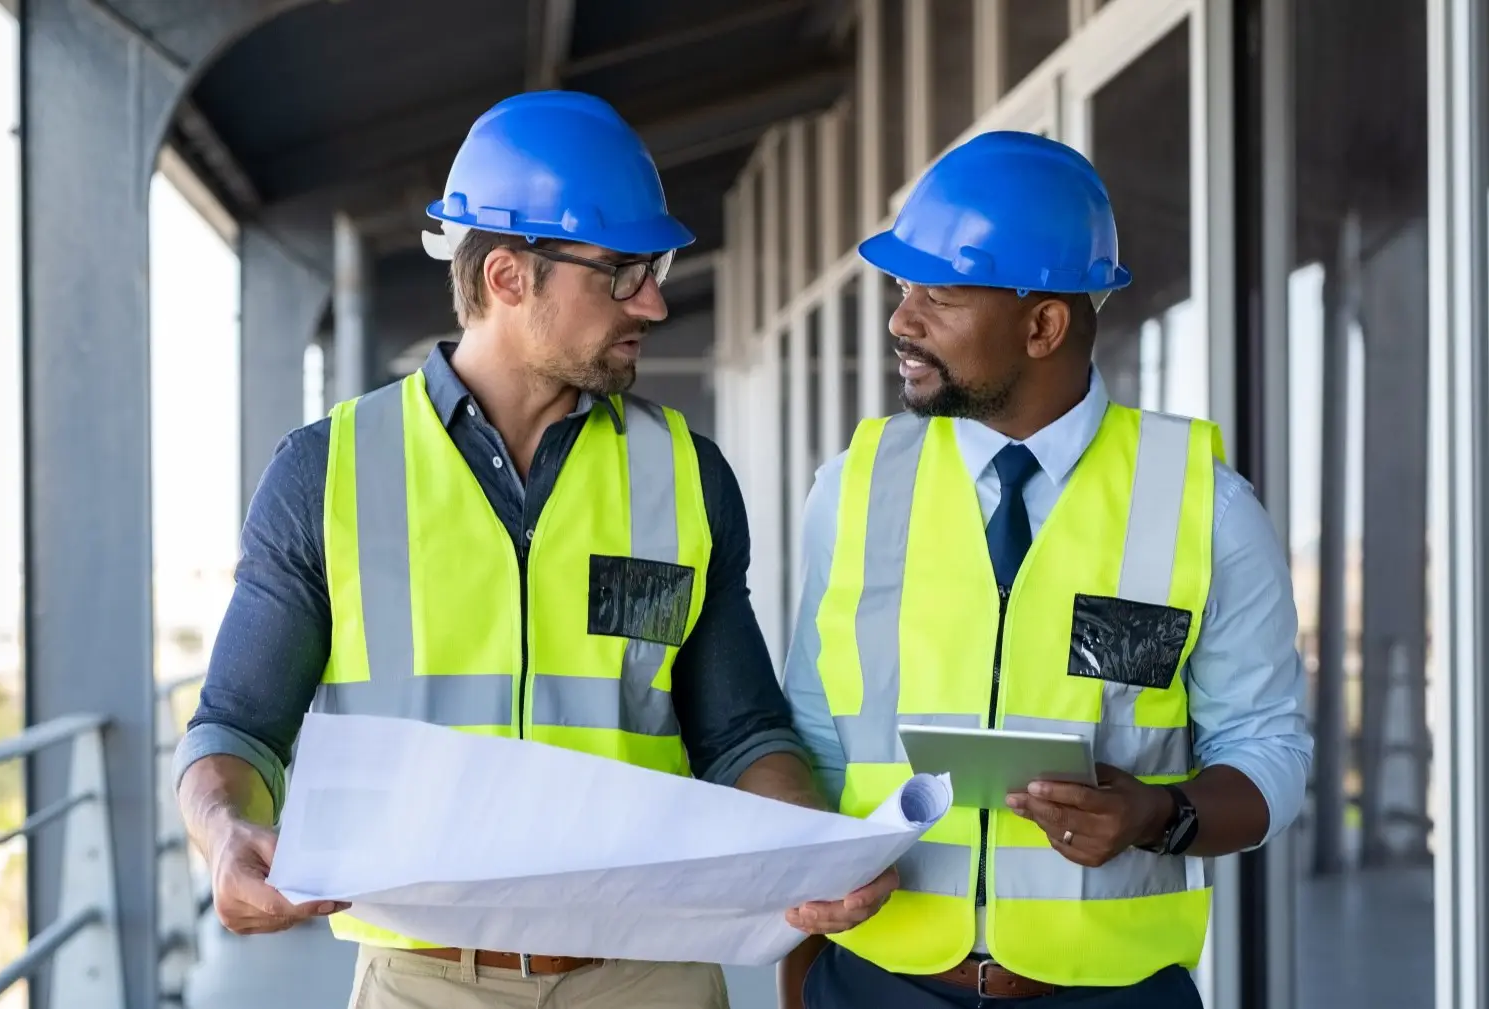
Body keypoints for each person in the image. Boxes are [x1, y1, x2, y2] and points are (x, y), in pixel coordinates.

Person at [173, 90, 894, 1009]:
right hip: (421, 980)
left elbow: (739, 730)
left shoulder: (686, 474)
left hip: (651, 973)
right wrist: (226, 830)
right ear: (509, 276)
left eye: (656, 267)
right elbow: (236, 726)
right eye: (623, 273)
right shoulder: (328, 472)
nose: (657, 302)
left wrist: (806, 842)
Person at [778, 130, 1314, 1008]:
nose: (899, 320)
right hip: (874, 984)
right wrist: (798, 970)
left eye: (937, 294)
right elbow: (813, 733)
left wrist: (1160, 815)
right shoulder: (851, 490)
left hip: (1114, 995)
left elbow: (1268, 749)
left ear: (1042, 323)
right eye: (900, 288)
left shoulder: (1203, 508)